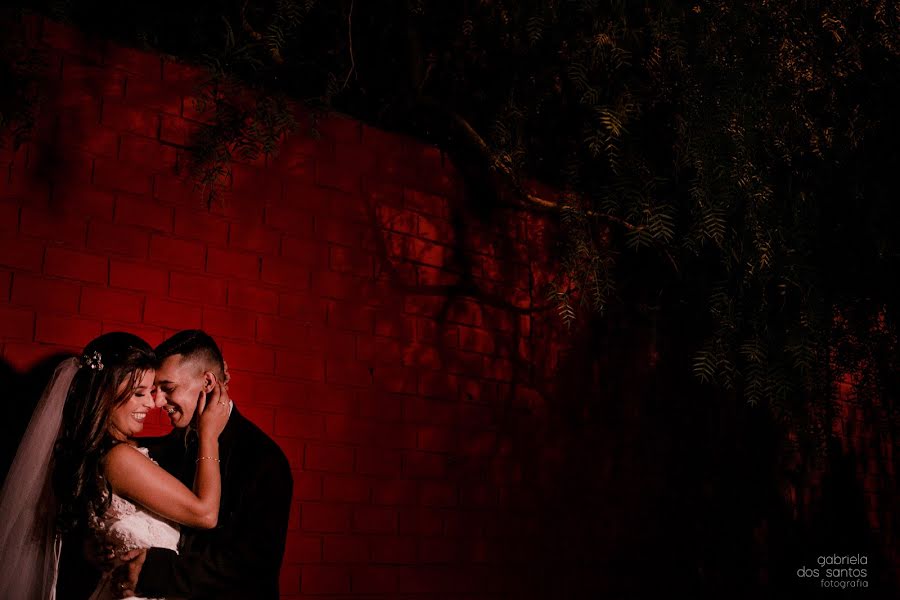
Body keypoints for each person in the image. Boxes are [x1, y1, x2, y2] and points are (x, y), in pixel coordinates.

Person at [0, 331, 230, 600]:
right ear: (107, 393)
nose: (152, 403)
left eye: (154, 390)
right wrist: (209, 436)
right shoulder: (119, 458)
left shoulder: (99, 452)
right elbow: (205, 514)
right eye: (139, 393)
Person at [110, 330, 293, 600]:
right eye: (154, 390)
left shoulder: (264, 460)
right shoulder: (170, 446)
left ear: (208, 382)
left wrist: (154, 570)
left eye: (168, 388)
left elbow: (250, 567)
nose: (157, 402)